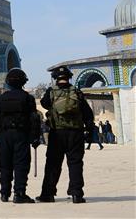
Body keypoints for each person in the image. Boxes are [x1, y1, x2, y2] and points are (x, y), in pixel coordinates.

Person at [37, 65, 94, 204]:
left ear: (56, 79)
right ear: (69, 78)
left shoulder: (51, 92)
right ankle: (77, 194)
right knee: (75, 163)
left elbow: (44, 104)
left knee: (53, 164)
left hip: (57, 133)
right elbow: (87, 114)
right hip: (75, 133)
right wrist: (89, 131)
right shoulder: (77, 92)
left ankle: (48, 194)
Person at [0, 68, 41, 203]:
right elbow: (34, 118)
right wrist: (35, 137)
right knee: (21, 164)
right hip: (21, 134)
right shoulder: (27, 98)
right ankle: (19, 193)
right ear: (23, 82)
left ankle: (4, 193)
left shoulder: (2, 98)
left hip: (5, 135)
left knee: (5, 164)